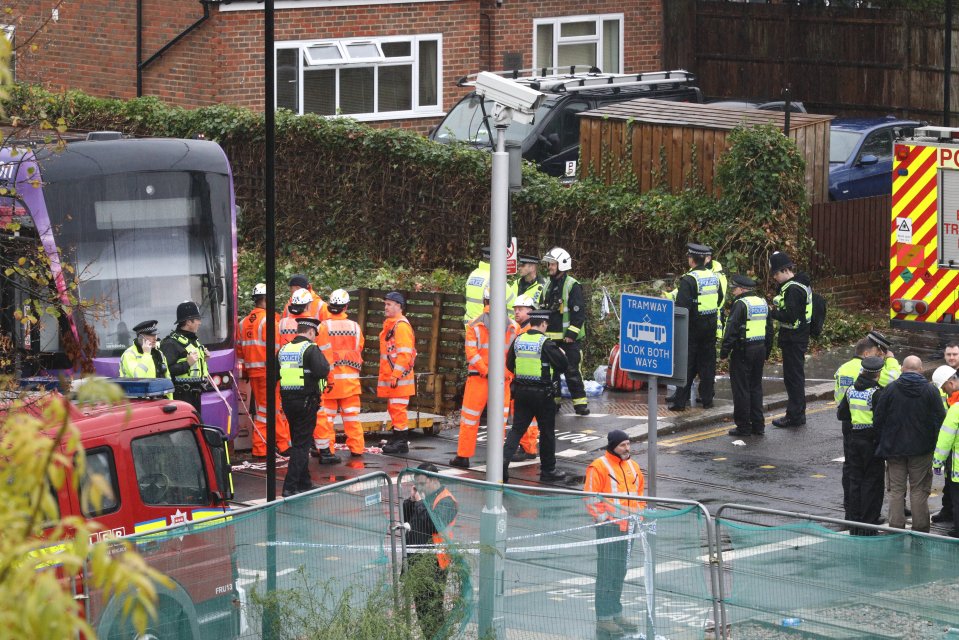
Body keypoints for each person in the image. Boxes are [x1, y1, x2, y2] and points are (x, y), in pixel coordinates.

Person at [873, 355, 945, 532]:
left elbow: (878, 418)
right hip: (922, 450)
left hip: (894, 450)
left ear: (903, 369)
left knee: (896, 490)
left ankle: (896, 528)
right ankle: (920, 529)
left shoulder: (890, 389)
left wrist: (883, 441)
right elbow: (940, 420)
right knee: (919, 489)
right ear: (921, 370)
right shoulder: (931, 390)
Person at [583, 430, 643, 639]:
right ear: (612, 446)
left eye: (628, 444)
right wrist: (604, 520)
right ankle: (604, 617)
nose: (627, 449)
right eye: (622, 445)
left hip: (629, 527)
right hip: (610, 527)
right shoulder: (599, 466)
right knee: (607, 572)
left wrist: (639, 517)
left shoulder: (633, 466)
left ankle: (615, 613)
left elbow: (639, 493)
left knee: (620, 571)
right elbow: (591, 497)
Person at [451, 288, 517, 469]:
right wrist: (506, 374)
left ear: (484, 302)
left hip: (479, 379)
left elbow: (471, 354)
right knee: (499, 421)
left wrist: (486, 371)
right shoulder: (513, 326)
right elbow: (515, 355)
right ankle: (497, 458)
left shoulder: (474, 325)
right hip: (502, 380)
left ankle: (463, 456)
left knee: (470, 419)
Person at [502, 309, 569, 482]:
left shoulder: (518, 340)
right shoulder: (545, 343)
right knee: (546, 432)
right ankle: (548, 470)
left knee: (517, 430)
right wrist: (561, 355)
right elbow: (563, 365)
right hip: (543, 395)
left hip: (522, 393)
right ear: (544, 324)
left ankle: (502, 464)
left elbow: (509, 364)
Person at [402, 463, 459, 640]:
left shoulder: (447, 501)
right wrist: (411, 501)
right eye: (416, 484)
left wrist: (419, 502)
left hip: (434, 563)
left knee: (432, 610)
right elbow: (410, 521)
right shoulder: (425, 498)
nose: (420, 488)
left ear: (434, 480)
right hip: (418, 560)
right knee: (422, 610)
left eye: (422, 483)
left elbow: (430, 524)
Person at [237, 283, 292, 460]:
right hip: (268, 372)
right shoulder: (270, 321)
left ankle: (263, 446)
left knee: (264, 409)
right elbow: (278, 349)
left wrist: (246, 370)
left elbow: (240, 351)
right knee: (271, 410)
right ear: (267, 299)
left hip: (253, 373)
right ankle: (279, 446)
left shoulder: (242, 323)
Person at [277, 316, 330, 497]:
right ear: (310, 332)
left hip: (288, 403)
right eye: (315, 334)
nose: (315, 337)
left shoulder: (284, 349)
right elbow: (323, 370)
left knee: (299, 441)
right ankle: (290, 487)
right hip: (307, 402)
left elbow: (276, 374)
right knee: (302, 446)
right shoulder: (310, 348)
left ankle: (305, 482)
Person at [668, 243, 722, 412]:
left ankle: (680, 402)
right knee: (707, 364)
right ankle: (707, 400)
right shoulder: (714, 277)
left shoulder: (689, 279)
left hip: (692, 327)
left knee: (687, 364)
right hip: (710, 324)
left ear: (692, 260)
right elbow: (719, 299)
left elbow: (682, 308)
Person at [836, 356, 886, 535]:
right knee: (872, 483)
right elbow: (881, 421)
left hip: (854, 440)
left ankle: (855, 523)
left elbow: (842, 415)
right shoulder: (876, 393)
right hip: (871, 442)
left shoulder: (850, 390)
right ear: (877, 374)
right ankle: (868, 524)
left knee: (855, 482)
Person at [316, 289, 366, 461]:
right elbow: (359, 348)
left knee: (327, 419)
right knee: (352, 418)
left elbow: (319, 352)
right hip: (351, 382)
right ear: (346, 306)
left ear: (330, 307)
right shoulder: (355, 327)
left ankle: (328, 450)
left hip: (329, 382)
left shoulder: (323, 327)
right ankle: (358, 449)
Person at [720, 275, 773, 437]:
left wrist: (724, 352)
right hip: (760, 349)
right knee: (755, 387)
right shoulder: (762, 302)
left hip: (743, 351)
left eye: (734, 289)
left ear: (742, 289)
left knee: (741, 389)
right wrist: (767, 351)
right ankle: (758, 425)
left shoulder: (741, 304)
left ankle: (743, 426)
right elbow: (769, 329)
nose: (733, 292)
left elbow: (731, 329)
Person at [541, 246, 590, 415]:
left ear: (562, 264)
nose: (549, 267)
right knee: (551, 373)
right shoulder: (547, 285)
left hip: (569, 340)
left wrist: (571, 334)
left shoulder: (572, 285)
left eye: (552, 264)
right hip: (550, 339)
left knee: (571, 371)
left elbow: (578, 313)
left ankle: (580, 404)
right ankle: (553, 403)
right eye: (549, 264)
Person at [767, 251, 812, 428]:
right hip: (797, 337)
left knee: (793, 379)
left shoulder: (793, 289)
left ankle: (794, 416)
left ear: (786, 270)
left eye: (776, 273)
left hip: (794, 339)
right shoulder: (800, 284)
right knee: (795, 377)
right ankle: (797, 414)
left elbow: (791, 316)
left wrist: (772, 313)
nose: (775, 278)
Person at [379, 291, 417, 454]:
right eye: (385, 304)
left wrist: (395, 375)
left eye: (389, 304)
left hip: (399, 377)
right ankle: (398, 438)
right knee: (394, 408)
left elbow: (405, 354)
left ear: (398, 306)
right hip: (396, 377)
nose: (385, 307)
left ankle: (401, 441)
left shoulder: (400, 326)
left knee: (398, 408)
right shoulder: (394, 324)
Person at [160, 301, 209, 413]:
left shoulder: (193, 341)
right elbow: (165, 371)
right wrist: (187, 364)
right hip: (181, 396)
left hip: (195, 394)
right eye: (197, 319)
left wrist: (204, 358)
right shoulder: (170, 343)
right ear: (188, 322)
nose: (199, 323)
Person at [511, 294, 541, 460]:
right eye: (515, 309)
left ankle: (528, 448)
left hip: (526, 381)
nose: (516, 312)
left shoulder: (527, 332)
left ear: (530, 311)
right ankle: (528, 447)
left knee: (526, 416)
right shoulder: (521, 329)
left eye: (520, 309)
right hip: (526, 381)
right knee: (526, 417)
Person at [932, 342, 959, 525]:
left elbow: (947, 434)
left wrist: (937, 461)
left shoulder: (956, 406)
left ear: (950, 382)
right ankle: (947, 511)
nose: (943, 391)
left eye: (944, 388)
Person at [464, 247, 490, 324]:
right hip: (484, 324)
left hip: (469, 322)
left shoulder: (473, 274)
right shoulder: (495, 277)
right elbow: (510, 304)